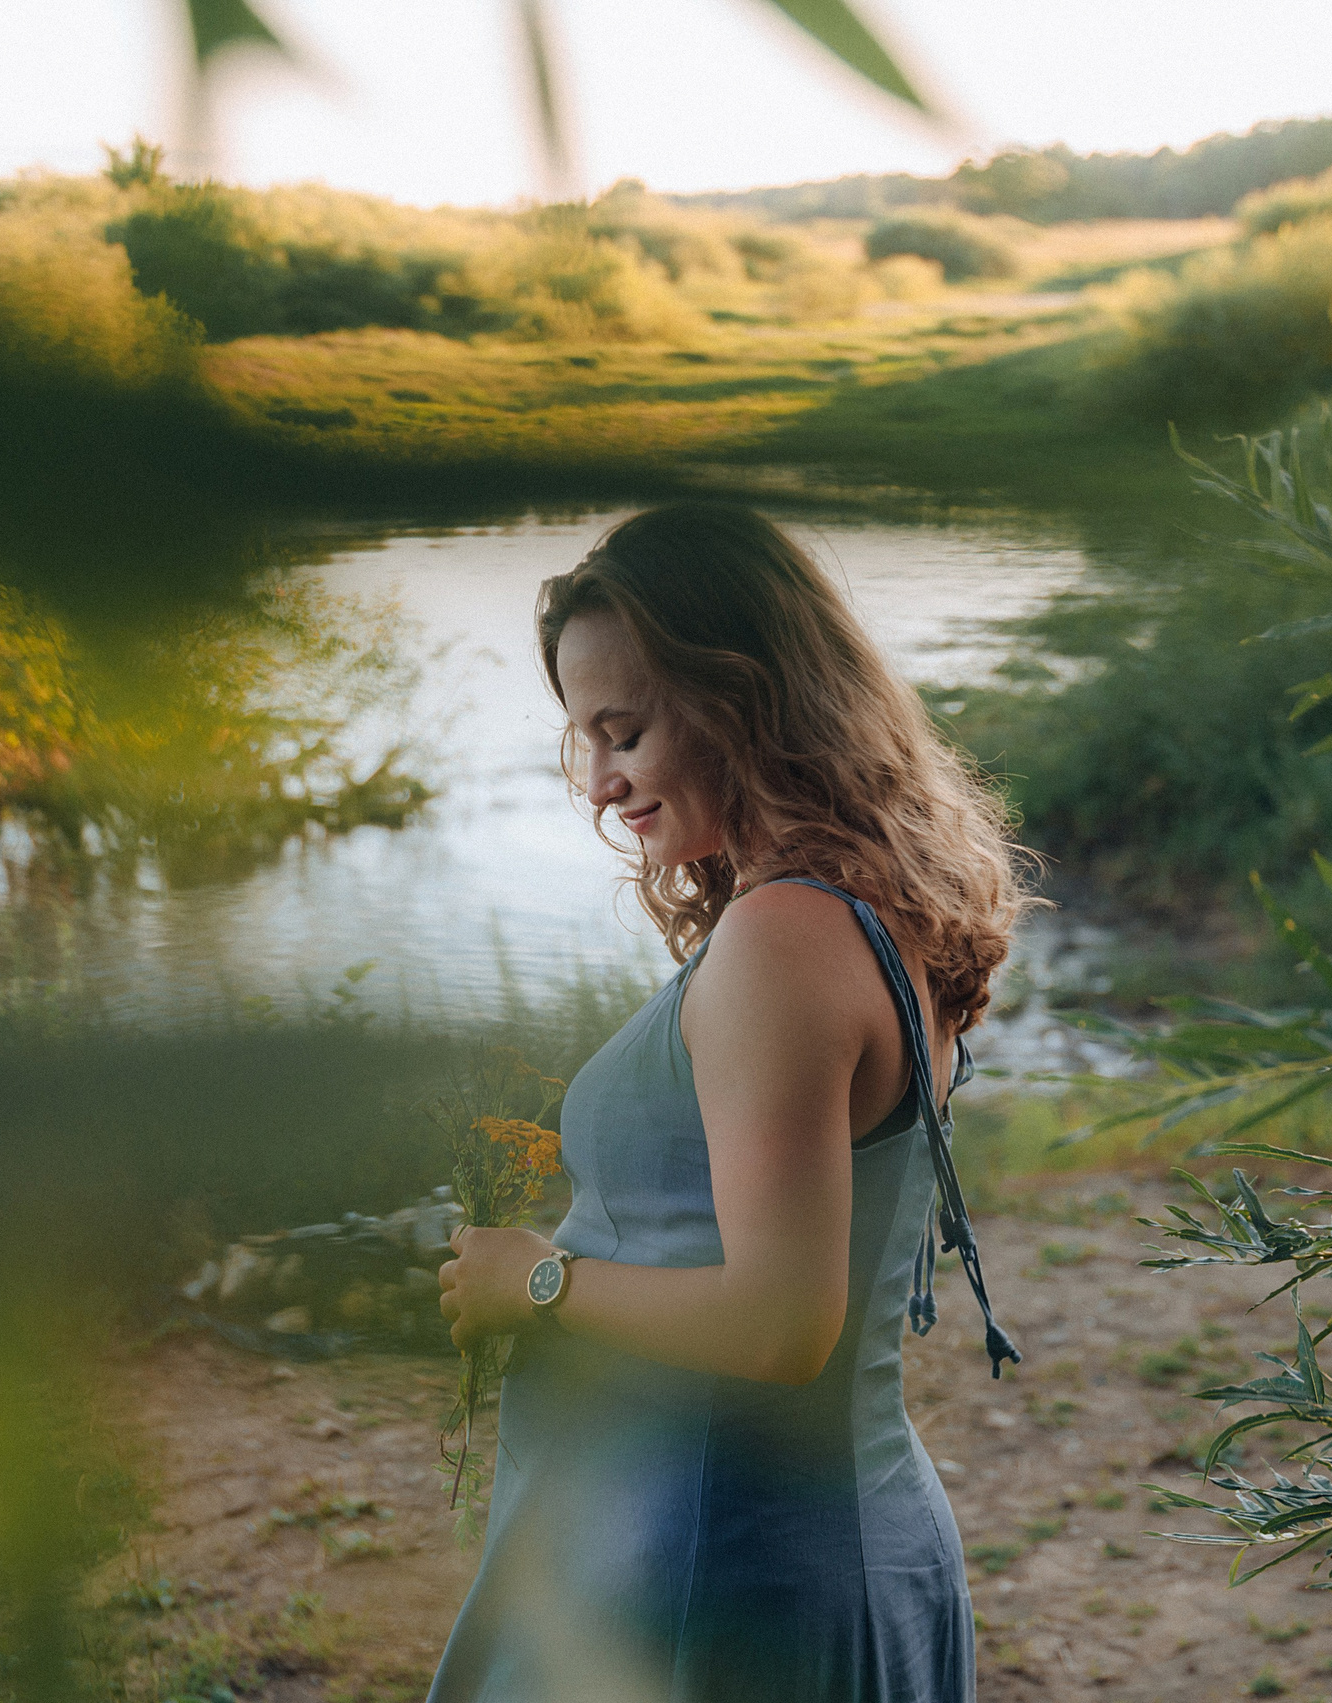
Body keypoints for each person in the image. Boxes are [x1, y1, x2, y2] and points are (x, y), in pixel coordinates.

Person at [429, 504, 1032, 1703]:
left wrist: (532, 1278)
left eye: (627, 730)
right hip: (777, 1538)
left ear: (741, 695)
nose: (599, 785)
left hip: (725, 1569)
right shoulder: (860, 906)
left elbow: (778, 1323)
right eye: (581, 739)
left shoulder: (781, 940)